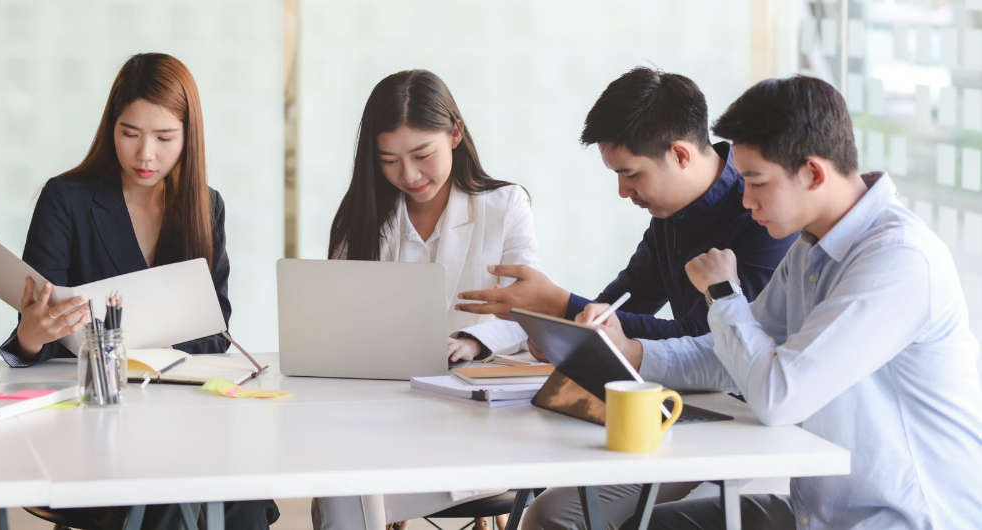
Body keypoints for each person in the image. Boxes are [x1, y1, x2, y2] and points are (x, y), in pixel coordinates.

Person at [575, 75, 982, 529]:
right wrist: (633, 351)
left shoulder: (898, 260)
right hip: (817, 514)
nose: (746, 200)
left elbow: (778, 397)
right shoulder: (812, 247)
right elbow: (734, 353)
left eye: (757, 182)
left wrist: (724, 293)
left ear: (812, 173)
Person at [455, 68, 797, 530]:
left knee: (553, 516)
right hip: (684, 406)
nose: (622, 191)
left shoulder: (762, 217)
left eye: (630, 174)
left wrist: (562, 305)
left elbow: (714, 344)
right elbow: (622, 302)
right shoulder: (670, 215)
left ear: (679, 154)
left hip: (737, 424)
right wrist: (571, 328)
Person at [0, 52, 278, 530]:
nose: (145, 154)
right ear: (111, 129)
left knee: (234, 485)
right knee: (169, 487)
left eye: (165, 138)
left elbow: (216, 333)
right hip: (92, 423)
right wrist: (30, 334)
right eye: (130, 134)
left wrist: (171, 347)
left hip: (180, 414)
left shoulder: (205, 207)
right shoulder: (67, 199)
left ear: (189, 138)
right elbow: (34, 344)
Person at [314, 69, 540, 528]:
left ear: (455, 134)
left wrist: (472, 341)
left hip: (472, 411)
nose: (409, 175)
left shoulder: (505, 205)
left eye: (422, 155)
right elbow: (339, 320)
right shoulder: (359, 217)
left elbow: (528, 310)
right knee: (344, 473)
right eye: (389, 160)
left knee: (355, 489)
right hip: (381, 408)